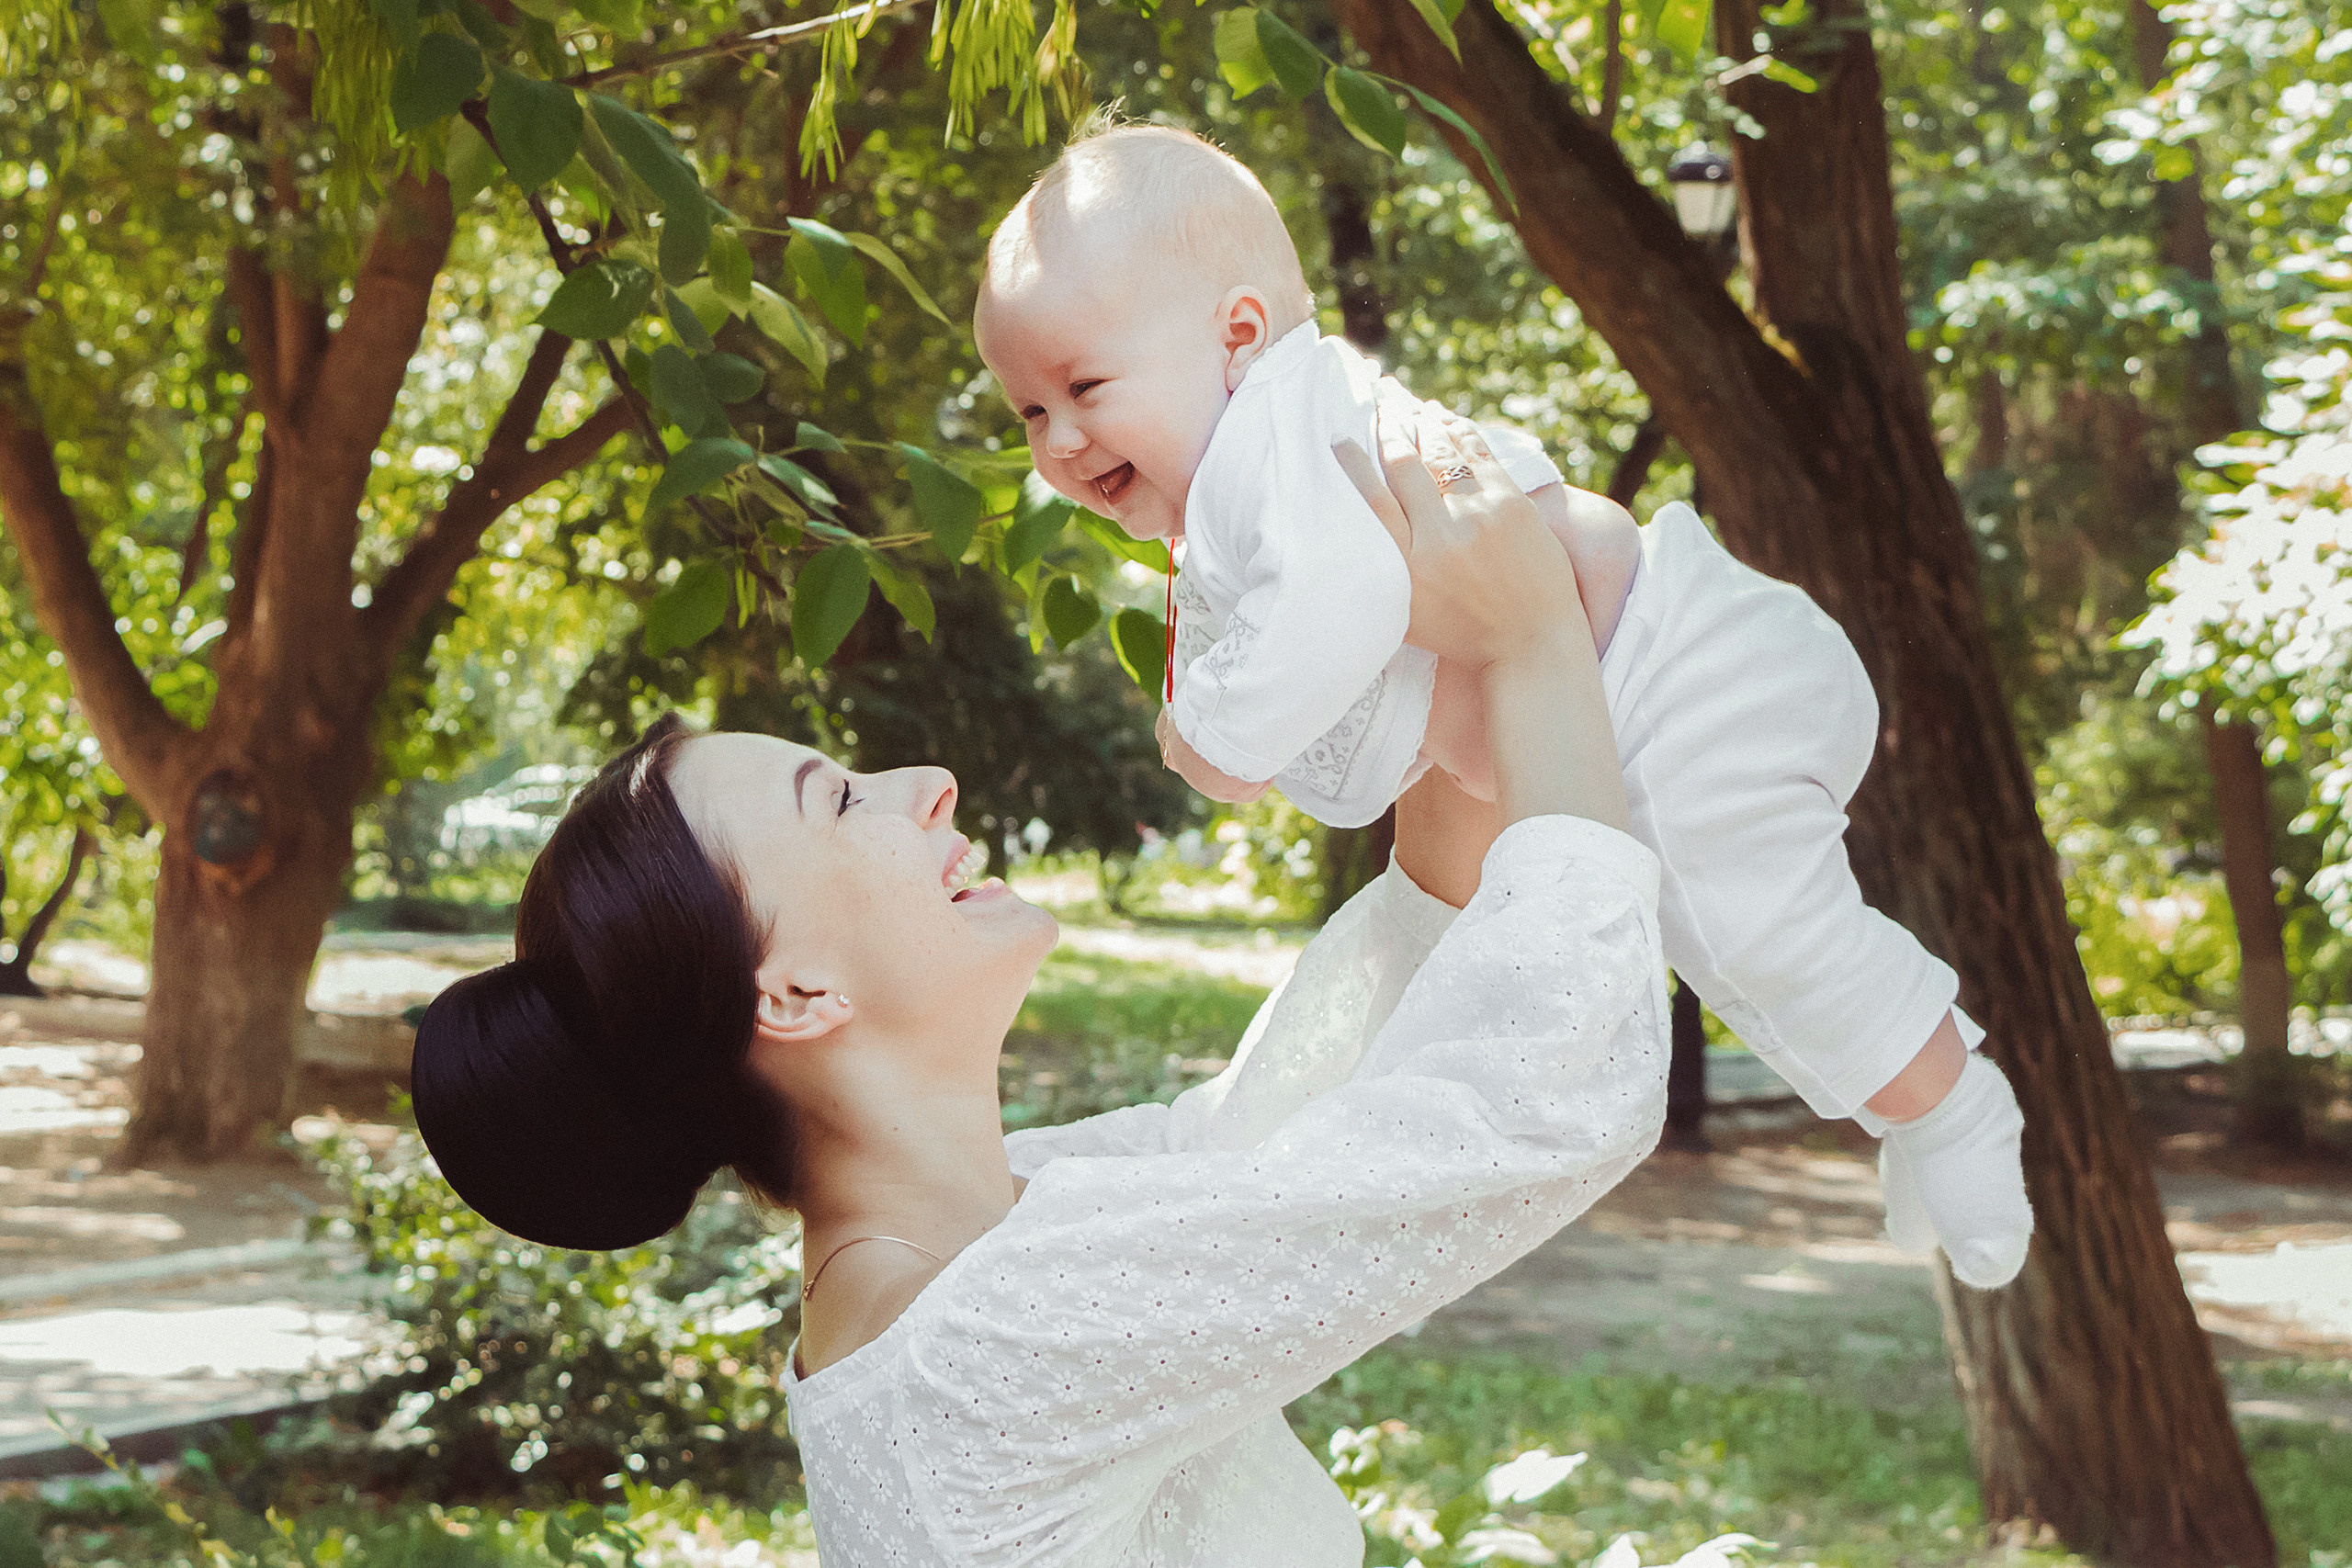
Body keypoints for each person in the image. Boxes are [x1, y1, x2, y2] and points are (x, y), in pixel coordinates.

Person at [412, 415, 1667, 1566]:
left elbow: (1287, 1113)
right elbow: (1529, 1104)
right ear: (790, 993)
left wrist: (1424, 639)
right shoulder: (978, 1347)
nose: (927, 781)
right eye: (839, 799)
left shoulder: (992, 1235)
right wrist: (1530, 639)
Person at [973, 121, 2031, 1290]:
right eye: (1027, 413)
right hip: (1657, 688)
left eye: (1084, 388)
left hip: (1686, 684)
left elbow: (1349, 593)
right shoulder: (1254, 472)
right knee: (1728, 949)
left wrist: (1220, 733)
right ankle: (1910, 1111)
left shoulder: (1273, 451)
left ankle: (1952, 1112)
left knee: (1759, 940)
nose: (1060, 441)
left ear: (1236, 338)